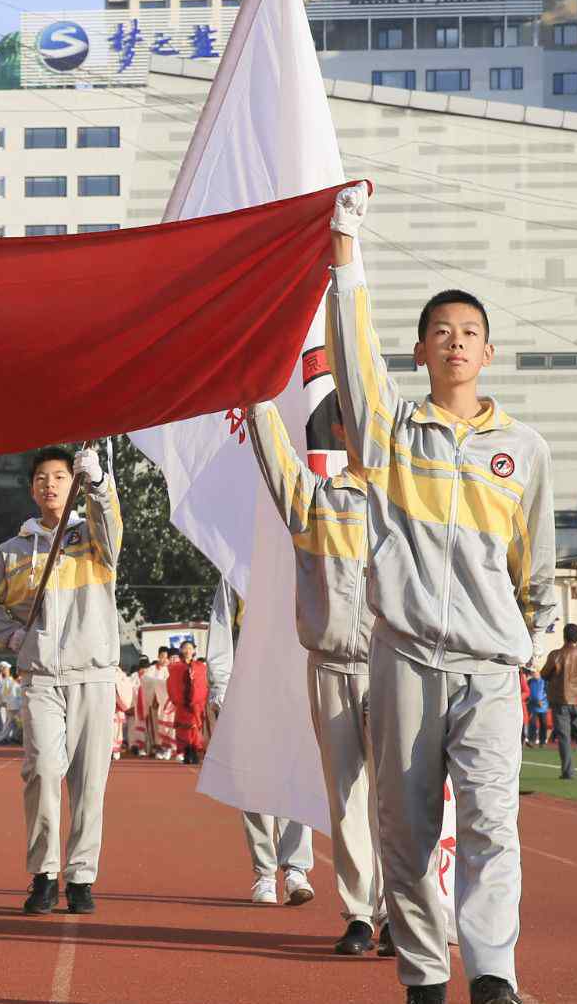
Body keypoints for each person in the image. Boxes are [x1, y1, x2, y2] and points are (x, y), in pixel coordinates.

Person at [328, 183, 558, 1004]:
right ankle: (425, 977)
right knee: (408, 829)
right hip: (405, 660)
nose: (455, 344)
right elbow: (353, 366)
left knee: (495, 826)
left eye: (469, 334)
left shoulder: (521, 450)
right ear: (420, 351)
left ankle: (491, 975)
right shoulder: (392, 433)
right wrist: (343, 252)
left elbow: (535, 563)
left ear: (487, 353)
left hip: (489, 668)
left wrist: (533, 639)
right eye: (440, 333)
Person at [246, 399, 390, 956]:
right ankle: (359, 914)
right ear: (339, 431)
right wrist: (257, 400)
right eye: (352, 421)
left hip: (392, 666)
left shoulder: (406, 504)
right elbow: (278, 462)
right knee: (346, 796)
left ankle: (401, 912)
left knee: (396, 799)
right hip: (331, 665)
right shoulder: (316, 500)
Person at [0, 444, 122, 916]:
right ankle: (45, 873)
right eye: (41, 479)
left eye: (59, 477)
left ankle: (82, 877)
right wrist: (12, 636)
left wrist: (99, 485)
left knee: (90, 782)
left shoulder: (95, 538)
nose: (50, 485)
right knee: (42, 771)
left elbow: (111, 526)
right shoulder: (13, 552)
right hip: (41, 678)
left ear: (71, 484)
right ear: (31, 489)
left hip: (93, 674)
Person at [206, 580, 317, 909]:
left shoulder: (304, 555)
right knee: (252, 783)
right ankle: (264, 874)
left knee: (298, 779)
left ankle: (297, 870)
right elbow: (221, 625)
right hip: (250, 684)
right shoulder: (236, 565)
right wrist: (219, 687)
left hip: (297, 682)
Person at [540, 623, 577, 781]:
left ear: (564, 636)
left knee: (564, 737)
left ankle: (568, 772)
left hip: (560, 701)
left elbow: (544, 674)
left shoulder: (556, 655)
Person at [167, 640, 208, 765]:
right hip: (182, 703)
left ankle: (194, 752)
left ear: (194, 650)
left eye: (190, 648)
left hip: (195, 704)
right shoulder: (175, 668)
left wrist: (198, 698)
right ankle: (186, 752)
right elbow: (171, 685)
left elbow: (203, 685)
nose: (187, 650)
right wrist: (177, 698)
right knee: (183, 729)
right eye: (185, 648)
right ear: (181, 650)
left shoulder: (201, 667)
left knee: (194, 729)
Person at [140, 647, 175, 760]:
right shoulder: (151, 669)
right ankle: (155, 747)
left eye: (166, 657)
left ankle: (167, 748)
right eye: (162, 656)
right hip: (153, 702)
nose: (164, 659)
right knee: (154, 725)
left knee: (166, 726)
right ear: (158, 656)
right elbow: (145, 680)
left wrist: (160, 685)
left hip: (166, 704)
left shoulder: (170, 669)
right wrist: (157, 686)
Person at [525, 672, 549, 747]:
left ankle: (543, 741)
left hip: (543, 707)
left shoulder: (545, 682)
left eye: (535, 672)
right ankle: (531, 740)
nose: (534, 674)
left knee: (543, 724)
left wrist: (542, 701)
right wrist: (530, 700)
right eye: (533, 673)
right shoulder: (530, 681)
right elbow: (528, 692)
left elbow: (548, 692)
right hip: (532, 706)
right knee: (532, 723)